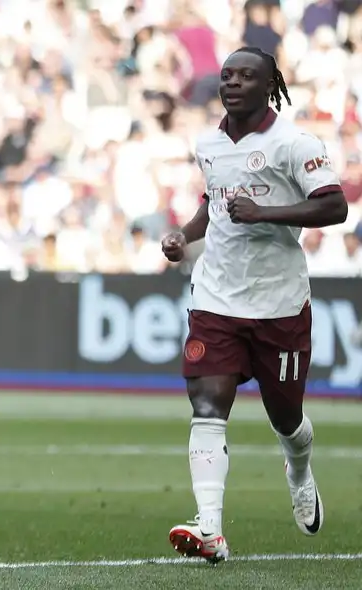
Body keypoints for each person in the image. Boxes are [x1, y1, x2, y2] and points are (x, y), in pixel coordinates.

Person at [161, 47, 347, 564]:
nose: (234, 83)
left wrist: (267, 212)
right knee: (207, 402)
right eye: (227, 75)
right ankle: (211, 530)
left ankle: (299, 470)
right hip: (216, 295)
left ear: (271, 85)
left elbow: (334, 205)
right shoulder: (208, 142)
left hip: (279, 302)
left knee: (286, 418)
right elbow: (213, 201)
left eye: (247, 76)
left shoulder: (295, 143)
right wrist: (184, 235)